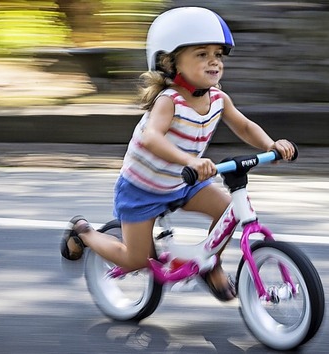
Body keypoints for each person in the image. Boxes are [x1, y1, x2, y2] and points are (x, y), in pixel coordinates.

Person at [60, 7, 296, 301]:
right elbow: (152, 137)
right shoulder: (168, 101)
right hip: (143, 188)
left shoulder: (219, 98)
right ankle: (84, 233)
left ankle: (210, 265)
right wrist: (191, 161)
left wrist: (270, 145)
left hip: (184, 180)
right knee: (136, 260)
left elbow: (245, 126)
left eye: (218, 54)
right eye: (201, 54)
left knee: (230, 211)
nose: (213, 61)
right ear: (170, 62)